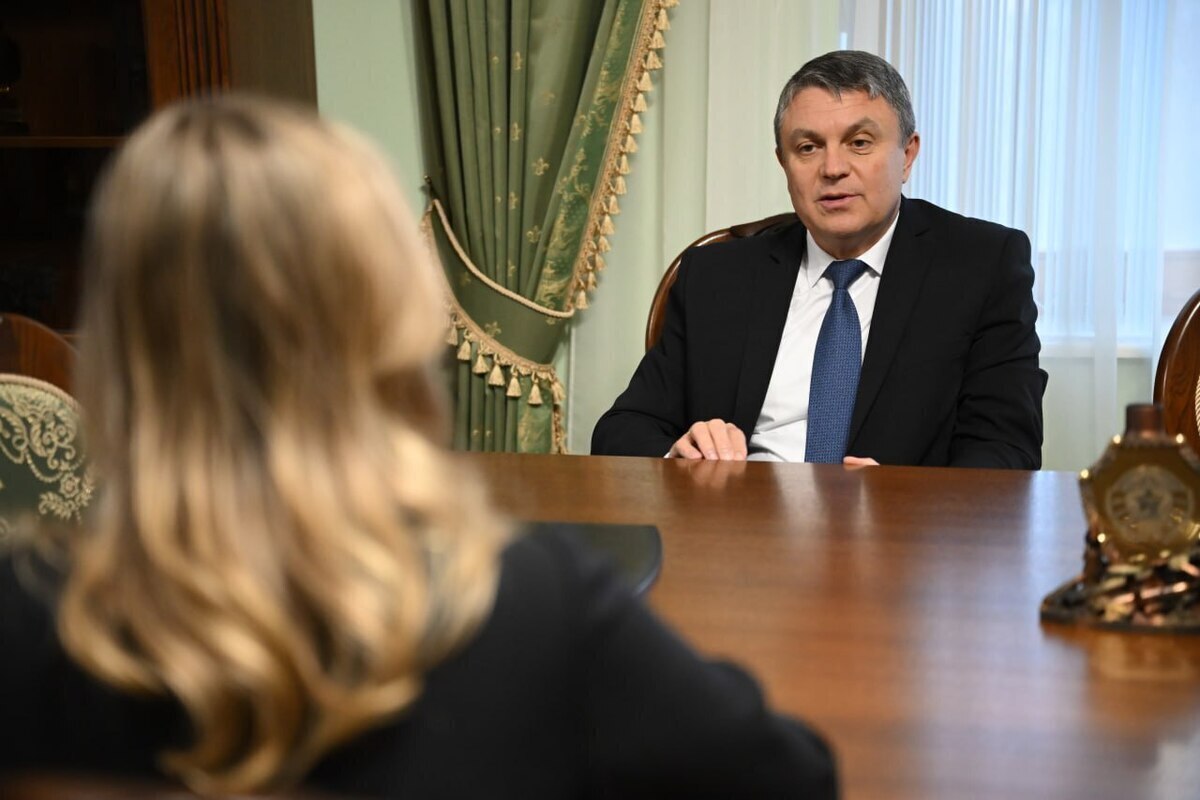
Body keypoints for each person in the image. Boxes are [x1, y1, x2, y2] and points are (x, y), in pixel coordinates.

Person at [0, 96, 836, 798]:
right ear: (391, 321)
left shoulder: (21, 613)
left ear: (117, 337)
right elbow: (792, 777)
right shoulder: (530, 605)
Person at [592, 50, 1046, 469]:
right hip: (739, 518)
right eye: (808, 148)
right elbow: (622, 430)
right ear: (783, 162)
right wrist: (678, 454)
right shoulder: (717, 276)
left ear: (907, 155)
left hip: (898, 526)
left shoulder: (981, 265)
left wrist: (906, 499)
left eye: (860, 143)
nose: (832, 169)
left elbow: (1007, 450)